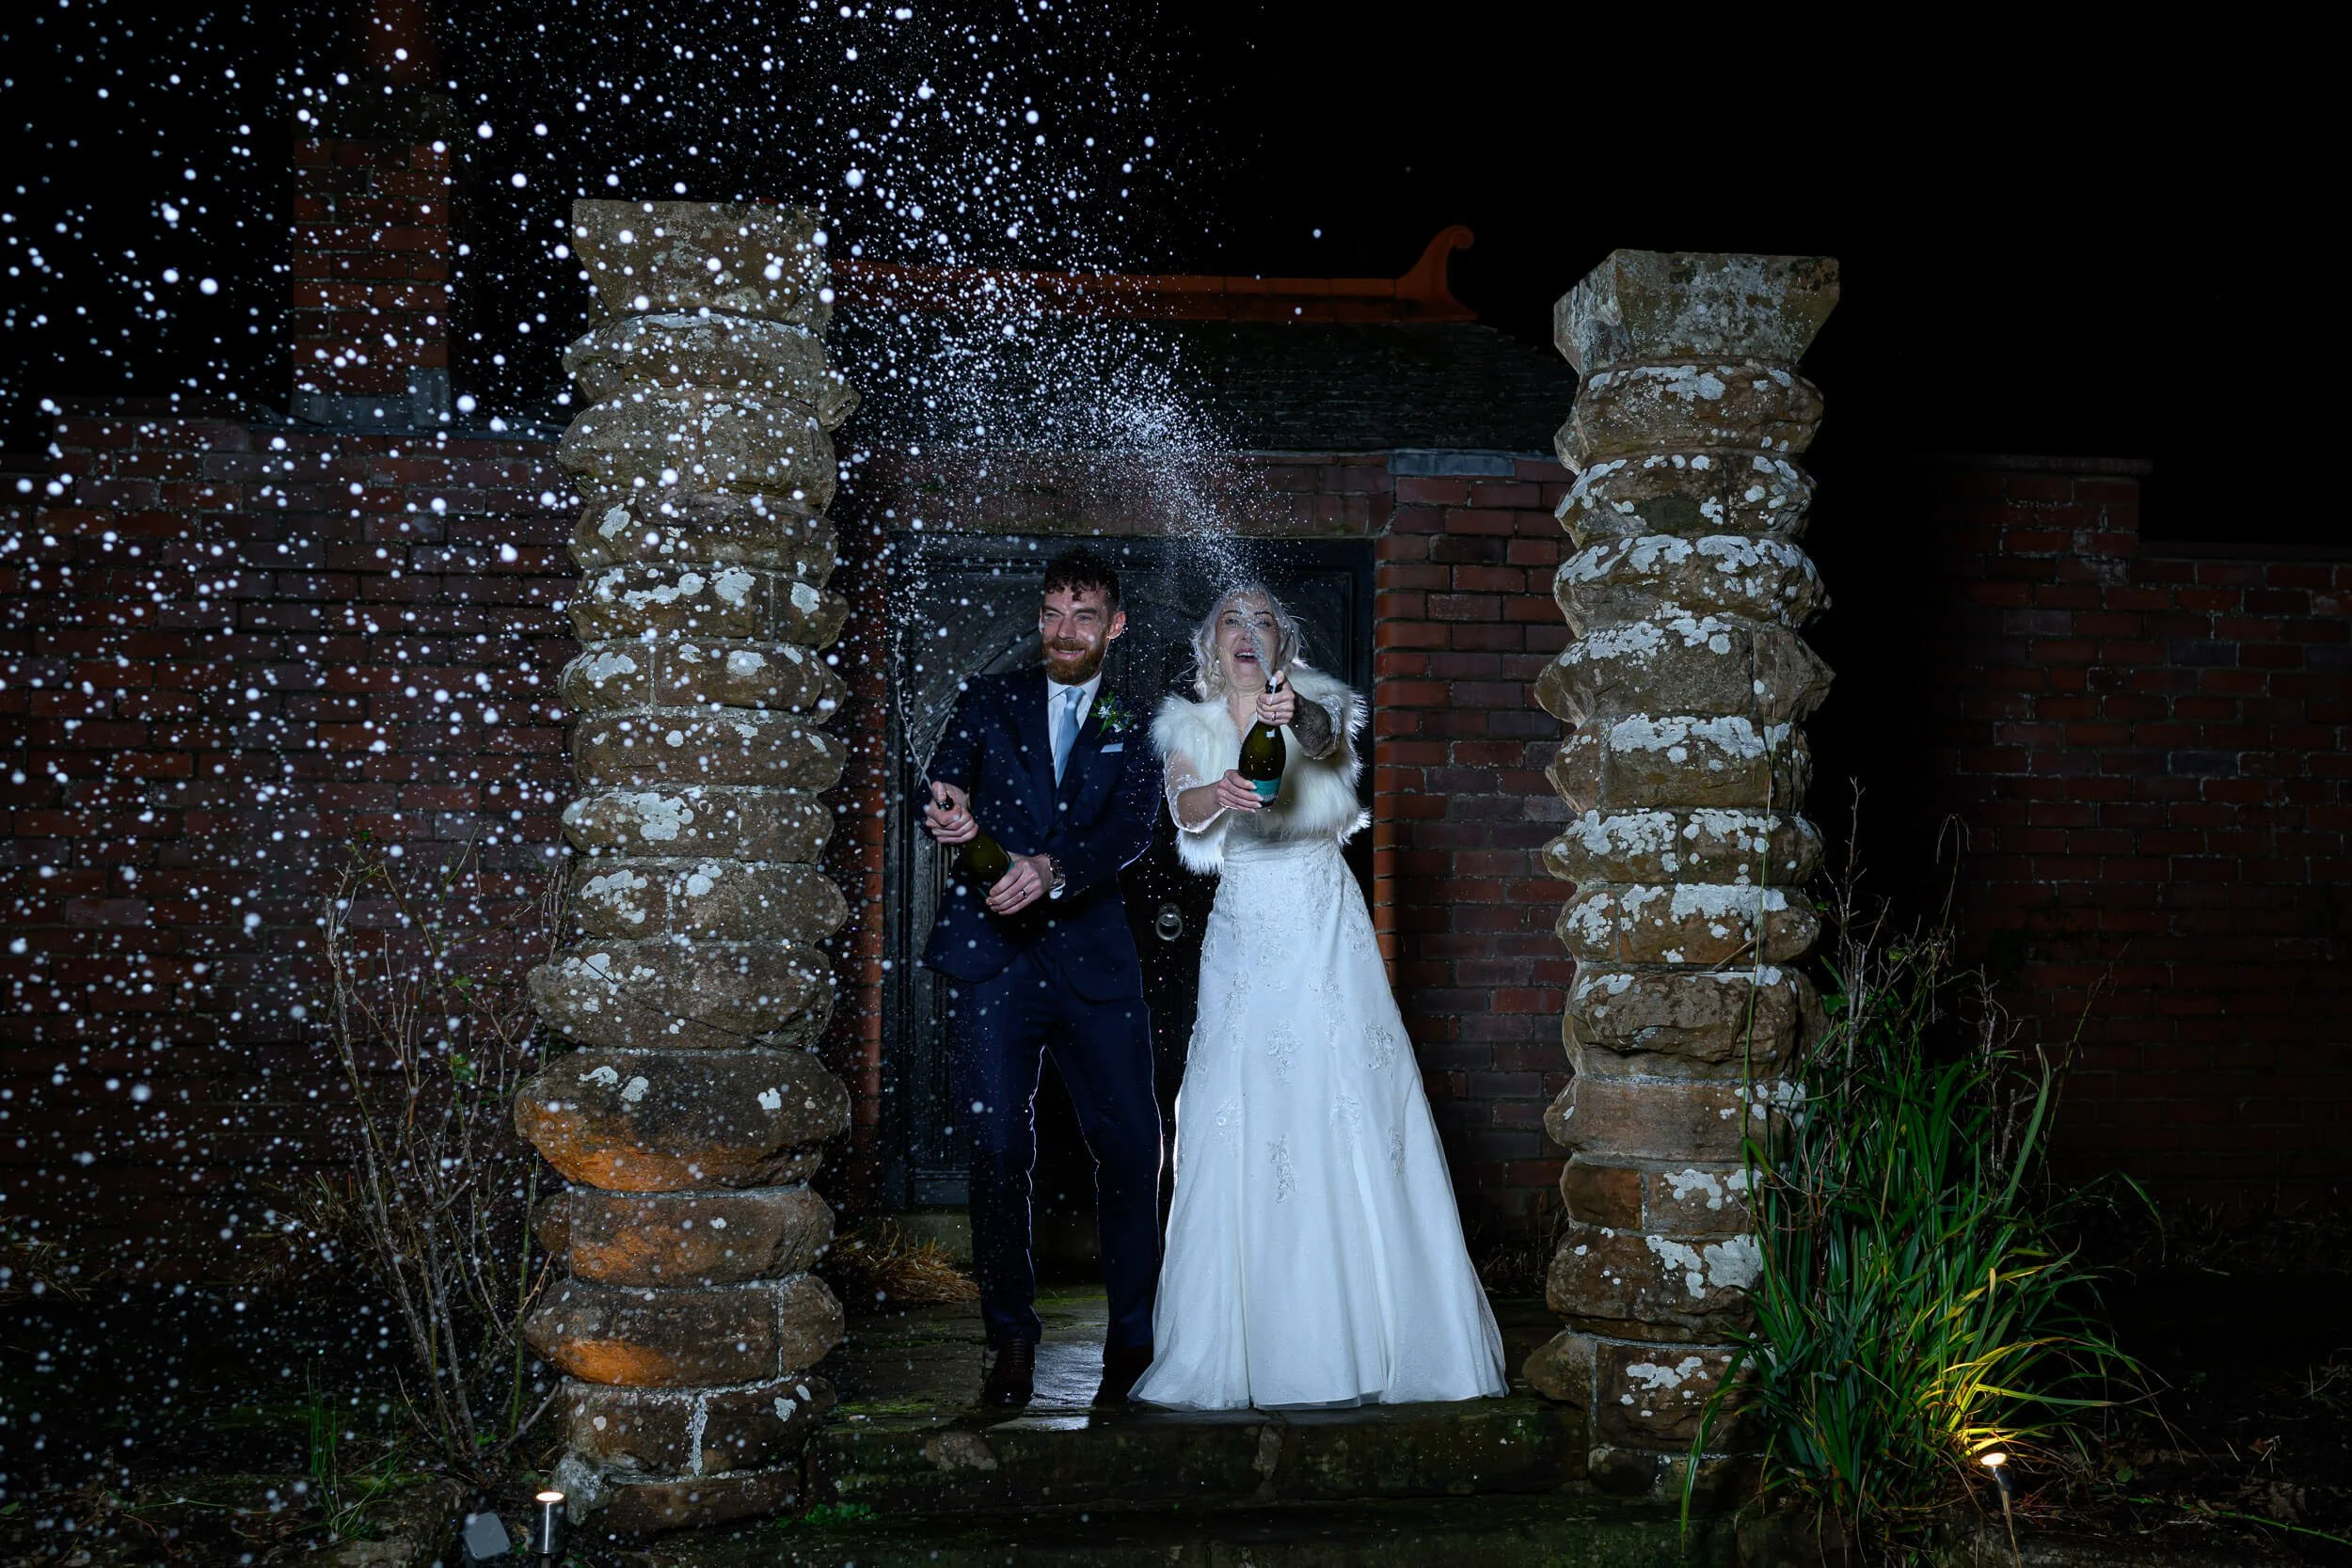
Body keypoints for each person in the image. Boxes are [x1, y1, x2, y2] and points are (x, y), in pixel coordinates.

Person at [1129, 584, 1507, 1409]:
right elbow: (1185, 809)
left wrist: (1291, 710)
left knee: (1348, 1098)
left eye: (1263, 618)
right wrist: (1217, 794)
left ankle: (1383, 1332)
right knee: (1242, 1102)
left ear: (1281, 641)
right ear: (1212, 640)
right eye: (1232, 617)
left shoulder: (1316, 703)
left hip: (1321, 917)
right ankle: (1249, 1339)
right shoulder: (1186, 725)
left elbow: (1327, 739)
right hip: (1243, 923)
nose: (1247, 629)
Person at [919, 546, 1166, 1409]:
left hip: (1095, 967)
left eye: (1084, 615)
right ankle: (1011, 1343)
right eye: (1054, 613)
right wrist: (946, 806)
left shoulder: (1136, 721)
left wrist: (1055, 867)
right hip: (993, 962)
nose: (1065, 631)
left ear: (1115, 625)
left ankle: (1132, 1350)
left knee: (1134, 1150)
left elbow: (1135, 828)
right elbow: (941, 779)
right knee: (997, 1151)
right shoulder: (991, 699)